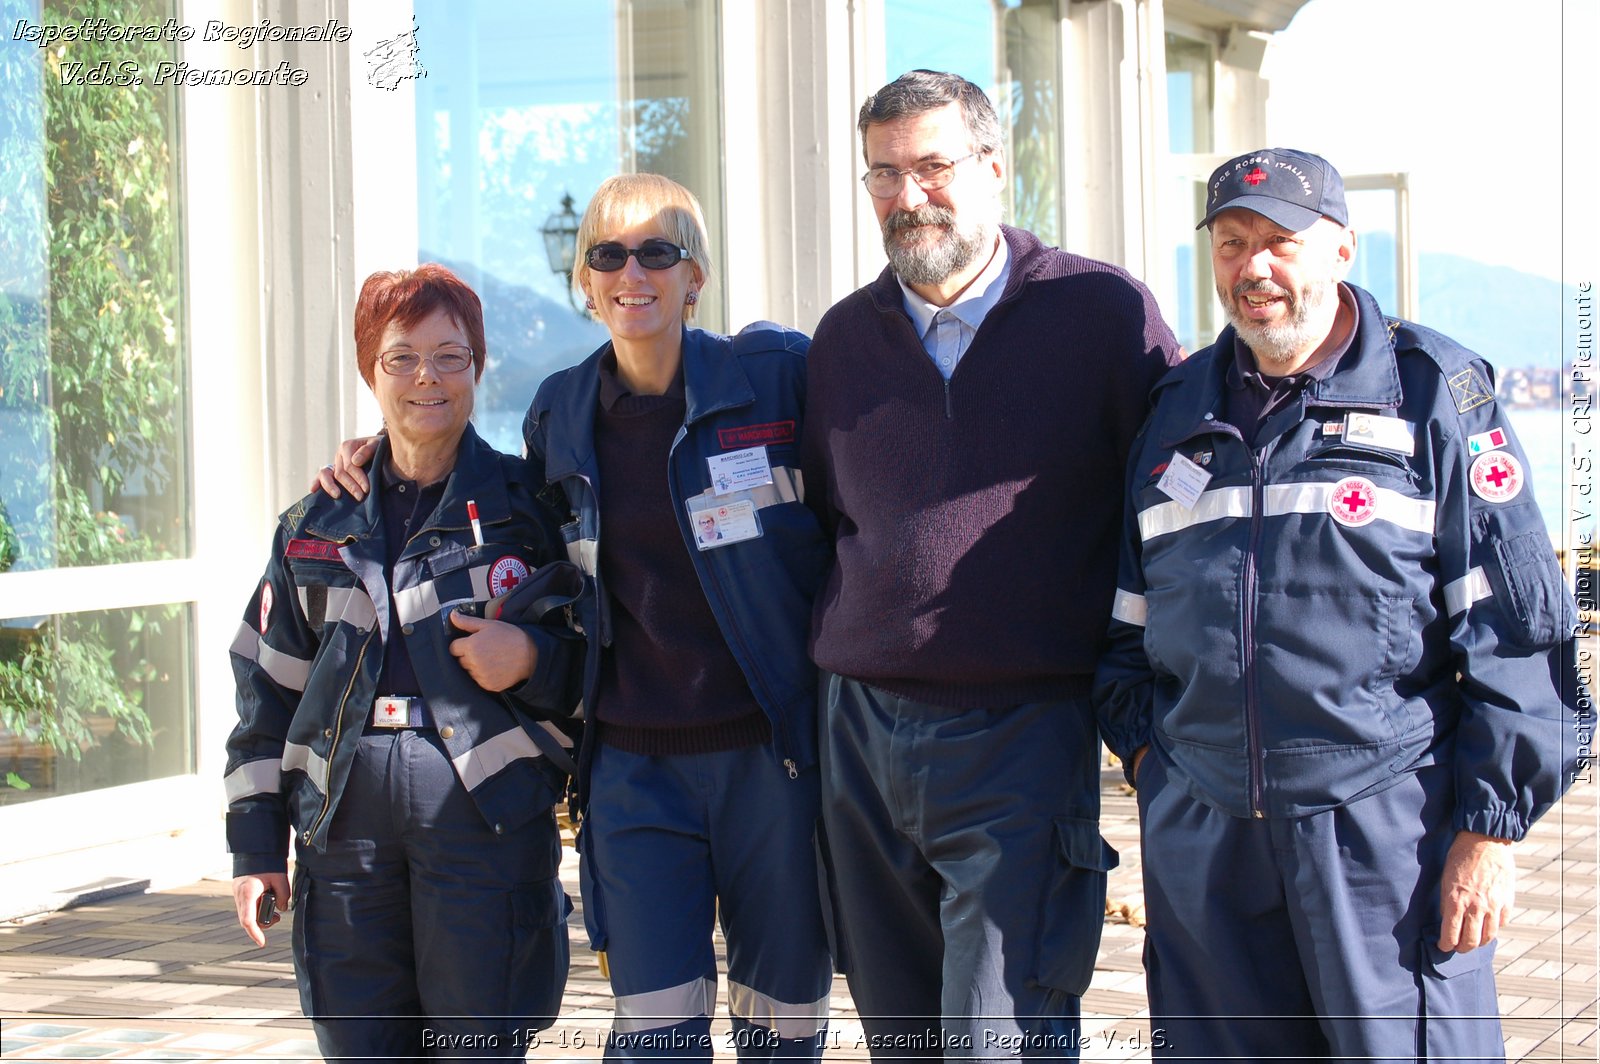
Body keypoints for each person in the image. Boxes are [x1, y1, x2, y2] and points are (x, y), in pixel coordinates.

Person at [321, 174, 834, 1061]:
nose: (633, 273)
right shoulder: (560, 412)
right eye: (608, 255)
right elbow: (509, 520)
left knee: (782, 1026)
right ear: (586, 283)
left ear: (695, 274)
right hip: (634, 772)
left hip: (769, 761)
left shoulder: (777, 380)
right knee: (654, 1035)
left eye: (657, 252)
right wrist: (386, 454)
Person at [1094, 148, 1585, 1060]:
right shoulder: (1174, 411)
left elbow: (1518, 630)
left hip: (1382, 835)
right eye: (1232, 244)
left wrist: (1489, 829)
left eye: (1281, 242)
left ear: (1342, 251)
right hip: (1205, 834)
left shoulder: (1435, 392)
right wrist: (1154, 764)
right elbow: (1125, 627)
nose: (1255, 269)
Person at [798, 70, 1182, 1056]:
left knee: (1000, 1035)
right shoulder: (842, 339)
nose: (907, 193)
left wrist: (1152, 714)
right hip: (862, 736)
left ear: (994, 168)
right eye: (883, 173)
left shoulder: (1101, 314)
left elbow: (1178, 508)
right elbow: (828, 518)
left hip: (1023, 728)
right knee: (902, 1037)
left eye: (932, 165)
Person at [224, 264, 583, 1060]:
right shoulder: (315, 524)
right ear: (370, 370)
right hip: (342, 831)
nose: (428, 377)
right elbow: (267, 692)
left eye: (451, 356)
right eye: (402, 357)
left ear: (478, 368)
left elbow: (597, 667)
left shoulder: (532, 511)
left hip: (485, 829)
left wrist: (531, 657)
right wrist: (255, 848)